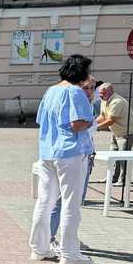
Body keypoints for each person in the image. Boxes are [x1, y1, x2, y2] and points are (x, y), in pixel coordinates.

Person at [29, 55, 96, 264]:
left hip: (47, 151)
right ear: (81, 73)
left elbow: (41, 120)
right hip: (70, 152)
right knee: (70, 203)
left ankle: (38, 248)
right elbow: (77, 124)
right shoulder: (75, 91)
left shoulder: (51, 91)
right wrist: (91, 119)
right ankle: (69, 253)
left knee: (44, 201)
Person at [49, 76, 100, 251]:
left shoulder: (90, 105)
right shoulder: (71, 103)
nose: (89, 91)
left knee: (75, 202)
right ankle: (52, 238)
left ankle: (69, 238)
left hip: (85, 153)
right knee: (62, 200)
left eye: (92, 88)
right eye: (86, 87)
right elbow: (75, 126)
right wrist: (89, 122)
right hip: (71, 155)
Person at [96, 82, 133, 184]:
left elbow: (111, 120)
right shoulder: (104, 100)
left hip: (127, 132)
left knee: (123, 156)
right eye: (99, 93)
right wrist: (92, 123)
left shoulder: (117, 102)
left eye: (103, 93)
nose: (100, 95)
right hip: (116, 131)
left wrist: (96, 128)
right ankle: (112, 177)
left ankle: (123, 180)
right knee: (112, 155)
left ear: (110, 92)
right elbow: (102, 116)